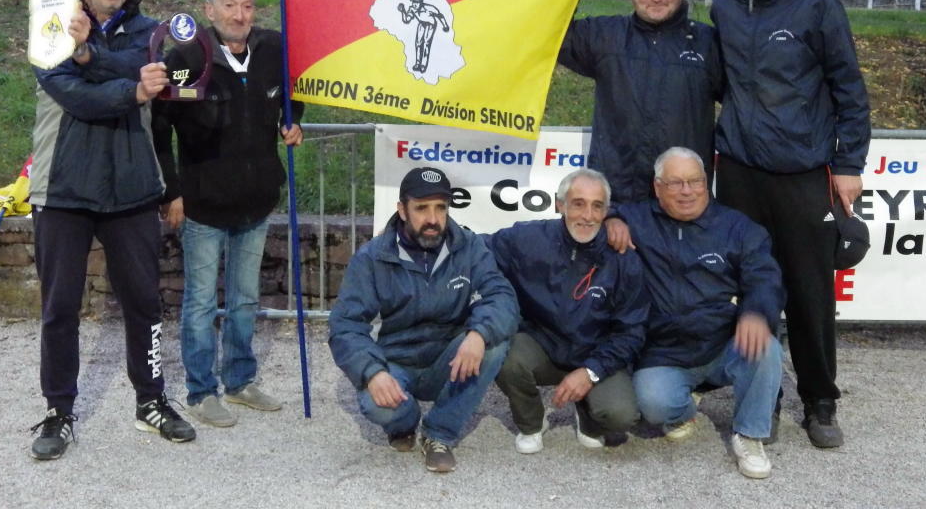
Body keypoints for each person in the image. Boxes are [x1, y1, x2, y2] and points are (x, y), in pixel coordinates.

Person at [28, 0, 195, 460]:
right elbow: (73, 94)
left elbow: (141, 66)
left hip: (129, 188)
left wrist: (88, 56)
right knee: (59, 307)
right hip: (63, 190)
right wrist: (130, 88)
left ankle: (151, 400)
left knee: (145, 303)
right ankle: (59, 410)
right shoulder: (49, 21)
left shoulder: (148, 31)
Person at [712, 0, 871, 448]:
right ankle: (765, 397)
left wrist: (848, 166)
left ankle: (820, 401)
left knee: (809, 292)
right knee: (753, 290)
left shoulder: (815, 1)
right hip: (739, 173)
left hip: (804, 173)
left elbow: (848, 85)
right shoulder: (725, 6)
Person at [152, 0, 303, 428]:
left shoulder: (274, 48)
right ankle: (201, 392)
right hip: (203, 205)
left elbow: (293, 96)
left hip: (256, 202)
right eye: (230, 5)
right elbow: (160, 129)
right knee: (200, 301)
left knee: (243, 298)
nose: (240, 14)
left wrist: (291, 121)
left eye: (248, 5)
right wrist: (171, 192)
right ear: (209, 10)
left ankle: (240, 381)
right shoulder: (185, 58)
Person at [328, 167, 519, 473]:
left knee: (495, 342)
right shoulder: (373, 257)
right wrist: (373, 372)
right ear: (402, 210)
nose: (433, 218)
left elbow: (503, 298)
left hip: (449, 362)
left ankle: (439, 434)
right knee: (376, 404)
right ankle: (403, 424)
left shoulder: (468, 246)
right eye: (421, 208)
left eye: (440, 207)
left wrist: (478, 334)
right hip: (397, 361)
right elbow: (345, 325)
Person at [617, 147, 784, 480]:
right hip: (664, 351)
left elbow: (766, 278)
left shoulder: (737, 227)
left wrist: (756, 314)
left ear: (706, 183)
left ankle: (749, 435)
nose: (687, 191)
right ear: (658, 187)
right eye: (676, 183)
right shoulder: (636, 219)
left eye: (695, 181)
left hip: (723, 344)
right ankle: (684, 407)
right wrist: (611, 220)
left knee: (767, 346)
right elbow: (592, 207)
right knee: (653, 405)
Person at [488, 168, 648, 454]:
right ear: (559, 204)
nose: (587, 215)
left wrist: (591, 371)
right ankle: (532, 424)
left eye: (596, 206)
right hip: (543, 345)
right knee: (501, 353)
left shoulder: (623, 258)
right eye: (578, 203)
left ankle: (589, 417)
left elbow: (632, 331)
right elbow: (475, 248)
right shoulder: (528, 239)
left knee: (621, 415)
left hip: (597, 354)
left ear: (606, 212)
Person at [557, 0, 722, 208]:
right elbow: (551, 34)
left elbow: (742, 99)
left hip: (681, 196)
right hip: (618, 194)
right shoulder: (606, 36)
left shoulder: (709, 43)